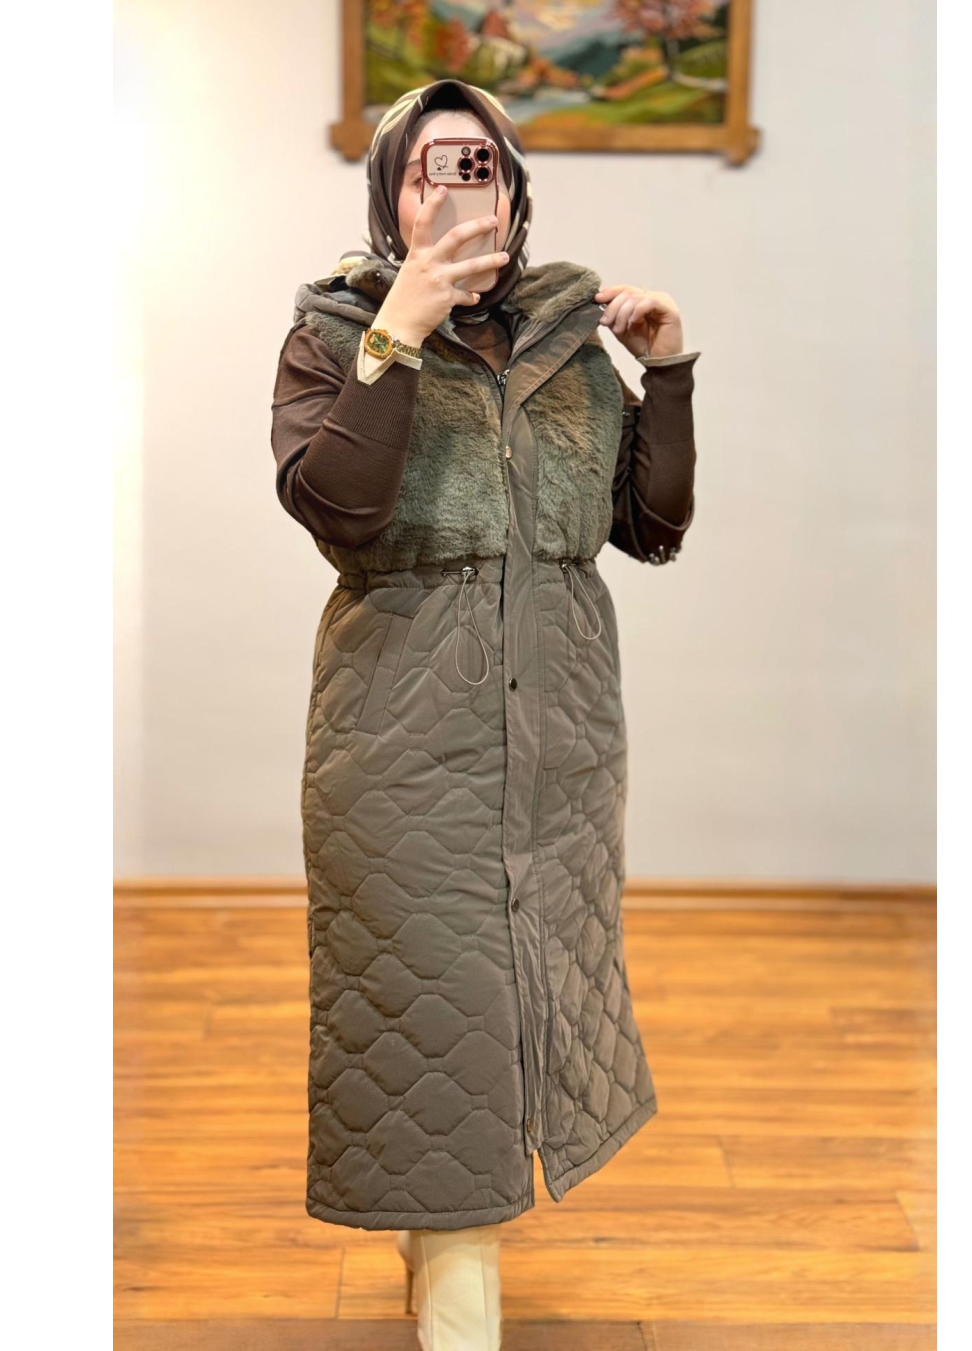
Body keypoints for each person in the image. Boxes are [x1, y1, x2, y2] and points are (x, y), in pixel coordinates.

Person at [270, 79, 699, 1351]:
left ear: (514, 191)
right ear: (390, 195)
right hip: (398, 728)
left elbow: (648, 527)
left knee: (520, 993)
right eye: (428, 169)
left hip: (560, 729)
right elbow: (339, 511)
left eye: (481, 166)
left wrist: (667, 373)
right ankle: (462, 1307)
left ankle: (438, 1243)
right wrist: (396, 335)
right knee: (433, 992)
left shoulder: (570, 338)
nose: (457, 188)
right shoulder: (331, 331)